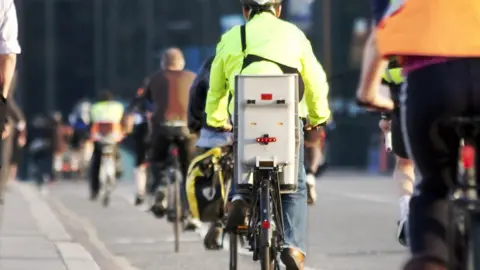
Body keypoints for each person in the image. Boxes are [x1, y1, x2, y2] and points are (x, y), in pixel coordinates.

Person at [205, 0, 331, 268]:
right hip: (287, 115)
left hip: (245, 111)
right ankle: (294, 247)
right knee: (293, 185)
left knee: (243, 156)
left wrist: (216, 119)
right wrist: (319, 117)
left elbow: (216, 87)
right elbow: (315, 80)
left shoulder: (231, 38)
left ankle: (240, 197)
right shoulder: (294, 34)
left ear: (245, 11)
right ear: (278, 9)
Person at [358, 1, 480, 269]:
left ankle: (432, 260)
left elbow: (381, 34)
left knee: (434, 187)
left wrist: (368, 94)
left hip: (431, 79)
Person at [133, 48, 199, 229]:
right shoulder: (192, 77)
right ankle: (192, 214)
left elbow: (141, 100)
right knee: (189, 170)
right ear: (182, 62)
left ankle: (160, 188)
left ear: (163, 63)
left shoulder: (155, 78)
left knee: (156, 160)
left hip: (161, 128)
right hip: (186, 129)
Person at [377, 60, 413, 246]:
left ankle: (407, 208)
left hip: (408, 104)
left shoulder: (397, 34)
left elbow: (382, 83)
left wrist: (384, 118)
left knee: (405, 163)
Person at [89, 91, 125, 200]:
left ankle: (95, 190)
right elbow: (122, 120)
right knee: (116, 152)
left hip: (98, 135)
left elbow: (91, 122)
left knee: (96, 161)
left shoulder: (95, 107)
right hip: (114, 134)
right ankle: (118, 168)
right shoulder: (118, 107)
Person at [125, 80, 153, 206]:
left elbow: (129, 115)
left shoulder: (139, 99)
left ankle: (140, 192)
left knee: (140, 164)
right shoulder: (163, 95)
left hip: (142, 133)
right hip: (160, 130)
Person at [68, 99, 93, 177]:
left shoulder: (90, 121)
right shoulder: (74, 120)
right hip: (78, 141)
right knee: (77, 158)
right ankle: (77, 172)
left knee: (85, 158)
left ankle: (82, 171)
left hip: (86, 141)